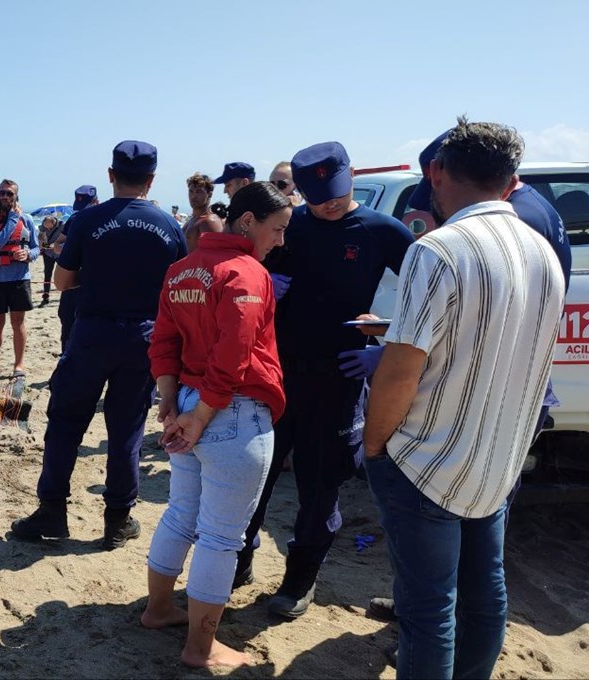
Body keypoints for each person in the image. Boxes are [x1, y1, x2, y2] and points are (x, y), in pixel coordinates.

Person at [362, 119, 564, 679]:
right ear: (511, 179)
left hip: (429, 458)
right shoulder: (541, 251)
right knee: (485, 595)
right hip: (497, 458)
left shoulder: (440, 250)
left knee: (429, 612)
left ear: (436, 173)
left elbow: (402, 369)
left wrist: (376, 445)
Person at [235, 141, 415, 619]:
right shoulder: (290, 227)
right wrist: (261, 280)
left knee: (321, 486)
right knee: (254, 474)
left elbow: (432, 302)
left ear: (351, 176)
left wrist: (387, 344)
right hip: (277, 373)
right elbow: (240, 271)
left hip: (339, 378)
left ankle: (299, 579)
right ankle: (240, 560)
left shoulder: (383, 232)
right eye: (315, 197)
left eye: (334, 192)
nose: (327, 204)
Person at [10, 141, 188, 550]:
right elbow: (176, 289)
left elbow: (62, 281)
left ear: (111, 175)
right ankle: (118, 519)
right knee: (126, 429)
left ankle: (52, 510)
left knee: (66, 422)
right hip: (143, 335)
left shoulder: (89, 221)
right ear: (152, 179)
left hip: (92, 332)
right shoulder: (168, 226)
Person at [142, 182, 290, 667]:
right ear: (247, 223)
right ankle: (200, 649)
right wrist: (200, 415)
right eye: (277, 229)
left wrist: (171, 402)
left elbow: (163, 341)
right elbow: (234, 353)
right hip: (230, 412)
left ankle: (159, 610)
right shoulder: (247, 273)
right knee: (222, 536)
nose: (281, 240)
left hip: (189, 398)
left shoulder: (181, 270)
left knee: (182, 513)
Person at [0, 179, 39, 378]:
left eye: (9, 194)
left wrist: (28, 255)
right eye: (2, 193)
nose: (5, 196)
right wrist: (13, 218)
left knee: (18, 324)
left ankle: (18, 366)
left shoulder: (28, 220)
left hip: (20, 279)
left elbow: (36, 247)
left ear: (16, 196)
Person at [53, 185, 98, 354]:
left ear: (96, 202)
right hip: (71, 280)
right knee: (67, 322)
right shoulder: (74, 219)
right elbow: (57, 245)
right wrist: (73, 247)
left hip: (93, 284)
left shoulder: (103, 219)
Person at [184, 173, 225, 253]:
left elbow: (216, 256)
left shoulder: (208, 221)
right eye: (191, 191)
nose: (193, 196)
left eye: (198, 192)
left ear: (209, 194)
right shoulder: (192, 220)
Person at [37, 215, 63, 305]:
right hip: (48, 254)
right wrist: (45, 243)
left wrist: (57, 246)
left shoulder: (62, 226)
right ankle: (45, 298)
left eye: (48, 227)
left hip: (59, 254)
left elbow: (68, 239)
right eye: (45, 226)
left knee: (63, 273)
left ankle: (65, 295)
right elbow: (40, 244)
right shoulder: (43, 227)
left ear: (53, 222)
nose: (47, 228)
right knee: (47, 274)